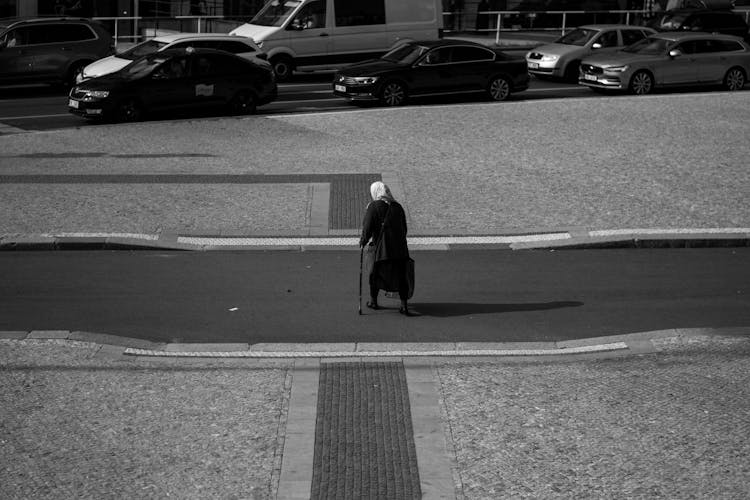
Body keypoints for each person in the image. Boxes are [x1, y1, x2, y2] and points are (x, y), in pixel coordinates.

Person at [360, 181, 413, 316]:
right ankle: (403, 305)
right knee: (401, 276)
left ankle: (373, 301)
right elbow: (404, 229)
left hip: (382, 250)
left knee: (375, 274)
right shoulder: (398, 207)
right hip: (400, 249)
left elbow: (367, 227)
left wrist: (363, 240)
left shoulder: (373, 207)